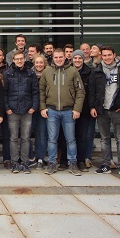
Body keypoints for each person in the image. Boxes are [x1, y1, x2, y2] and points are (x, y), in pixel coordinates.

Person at [90, 46, 120, 177]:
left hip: (118, 109)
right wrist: (92, 107)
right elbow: (92, 91)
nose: (107, 58)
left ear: (114, 55)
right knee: (104, 138)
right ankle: (106, 164)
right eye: (104, 55)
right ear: (101, 56)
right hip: (102, 110)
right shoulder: (97, 71)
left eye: (109, 55)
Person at [39, 48, 85, 176]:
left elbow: (80, 92)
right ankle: (52, 163)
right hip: (52, 110)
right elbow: (41, 90)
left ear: (65, 57)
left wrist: (77, 109)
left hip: (68, 111)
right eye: (56, 57)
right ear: (52, 58)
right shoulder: (47, 71)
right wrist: (42, 107)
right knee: (52, 139)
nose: (58, 59)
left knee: (71, 139)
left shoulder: (73, 71)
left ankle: (72, 163)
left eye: (61, 57)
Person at [4, 49, 39, 174]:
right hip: (12, 111)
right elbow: (4, 93)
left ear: (24, 59)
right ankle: (14, 163)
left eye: (21, 58)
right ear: (13, 60)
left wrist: (33, 107)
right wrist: (7, 107)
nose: (19, 61)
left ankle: (24, 163)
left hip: (27, 110)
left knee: (25, 138)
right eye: (17, 59)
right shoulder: (8, 74)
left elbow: (35, 92)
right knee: (13, 138)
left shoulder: (30, 74)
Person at [72, 50, 93, 172]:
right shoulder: (67, 71)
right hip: (69, 109)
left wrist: (91, 107)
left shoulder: (89, 72)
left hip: (84, 110)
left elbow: (91, 92)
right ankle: (67, 160)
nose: (77, 60)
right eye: (75, 58)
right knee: (68, 137)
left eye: (79, 58)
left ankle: (80, 161)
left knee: (81, 137)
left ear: (83, 59)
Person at [30, 55, 48, 170]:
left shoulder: (49, 74)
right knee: (28, 133)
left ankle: (41, 157)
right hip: (31, 108)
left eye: (41, 62)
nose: (39, 65)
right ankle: (32, 156)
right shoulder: (30, 74)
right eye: (37, 62)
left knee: (41, 134)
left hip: (43, 108)